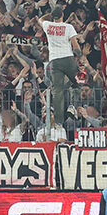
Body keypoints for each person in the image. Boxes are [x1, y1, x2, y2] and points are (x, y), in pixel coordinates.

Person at [39, 9, 79, 141]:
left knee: (57, 91)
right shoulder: (68, 27)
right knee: (78, 82)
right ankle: (73, 106)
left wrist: (49, 15)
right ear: (63, 15)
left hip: (54, 61)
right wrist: (81, 57)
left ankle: (59, 121)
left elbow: (40, 19)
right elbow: (75, 45)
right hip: (68, 58)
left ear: (53, 16)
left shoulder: (48, 25)